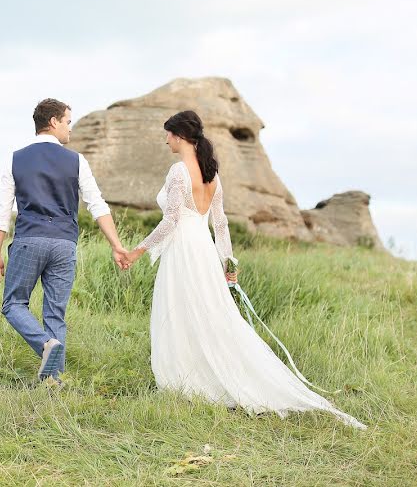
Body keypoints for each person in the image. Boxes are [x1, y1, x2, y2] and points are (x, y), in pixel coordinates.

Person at [123, 110, 366, 429]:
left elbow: (170, 221)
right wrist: (228, 264)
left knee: (179, 310)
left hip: (183, 248)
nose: (165, 139)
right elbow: (220, 225)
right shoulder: (212, 174)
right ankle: (200, 374)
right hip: (204, 249)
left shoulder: (179, 171)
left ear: (180, 136)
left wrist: (136, 251)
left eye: (168, 134)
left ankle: (186, 378)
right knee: (208, 311)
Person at [0, 98, 129, 381]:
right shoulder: (77, 160)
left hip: (30, 240)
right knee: (55, 314)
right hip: (65, 244)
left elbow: (3, 211)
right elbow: (97, 205)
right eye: (67, 122)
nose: (70, 129)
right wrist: (116, 245)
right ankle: (54, 382)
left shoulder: (15, 158)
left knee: (13, 304)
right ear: (52, 122)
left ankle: (44, 345)